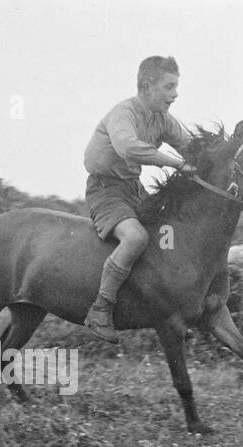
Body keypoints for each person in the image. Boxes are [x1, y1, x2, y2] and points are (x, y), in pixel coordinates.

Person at [82, 55, 196, 342]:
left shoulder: (163, 120)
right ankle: (100, 309)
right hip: (105, 191)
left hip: (133, 189)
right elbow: (128, 148)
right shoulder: (124, 113)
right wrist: (175, 163)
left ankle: (170, 310)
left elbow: (190, 146)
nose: (175, 94)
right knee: (135, 239)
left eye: (176, 87)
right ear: (147, 85)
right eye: (169, 87)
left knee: (170, 232)